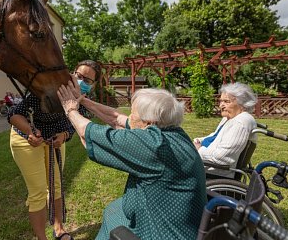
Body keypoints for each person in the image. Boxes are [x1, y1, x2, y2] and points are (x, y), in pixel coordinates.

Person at [57, 85, 207, 240]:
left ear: (149, 121)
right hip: (178, 224)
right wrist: (84, 102)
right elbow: (116, 118)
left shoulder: (154, 146)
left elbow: (86, 135)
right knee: (113, 210)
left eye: (133, 114)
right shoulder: (172, 133)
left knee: (113, 215)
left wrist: (70, 110)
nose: (129, 117)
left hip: (159, 232)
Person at [8, 60, 101, 240]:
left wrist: (65, 134)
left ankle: (59, 229)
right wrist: (30, 131)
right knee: (39, 192)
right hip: (27, 139)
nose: (81, 81)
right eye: (79, 76)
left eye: (87, 80)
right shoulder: (50, 87)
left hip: (54, 141)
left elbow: (77, 122)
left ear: (93, 84)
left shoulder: (83, 99)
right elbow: (14, 113)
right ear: (73, 72)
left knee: (56, 186)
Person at [193, 82, 257, 179]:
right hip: (205, 164)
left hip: (214, 173)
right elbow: (214, 136)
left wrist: (199, 150)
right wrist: (198, 141)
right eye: (221, 101)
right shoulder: (229, 118)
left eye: (226, 102)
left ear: (242, 104)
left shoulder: (241, 122)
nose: (221, 106)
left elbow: (222, 158)